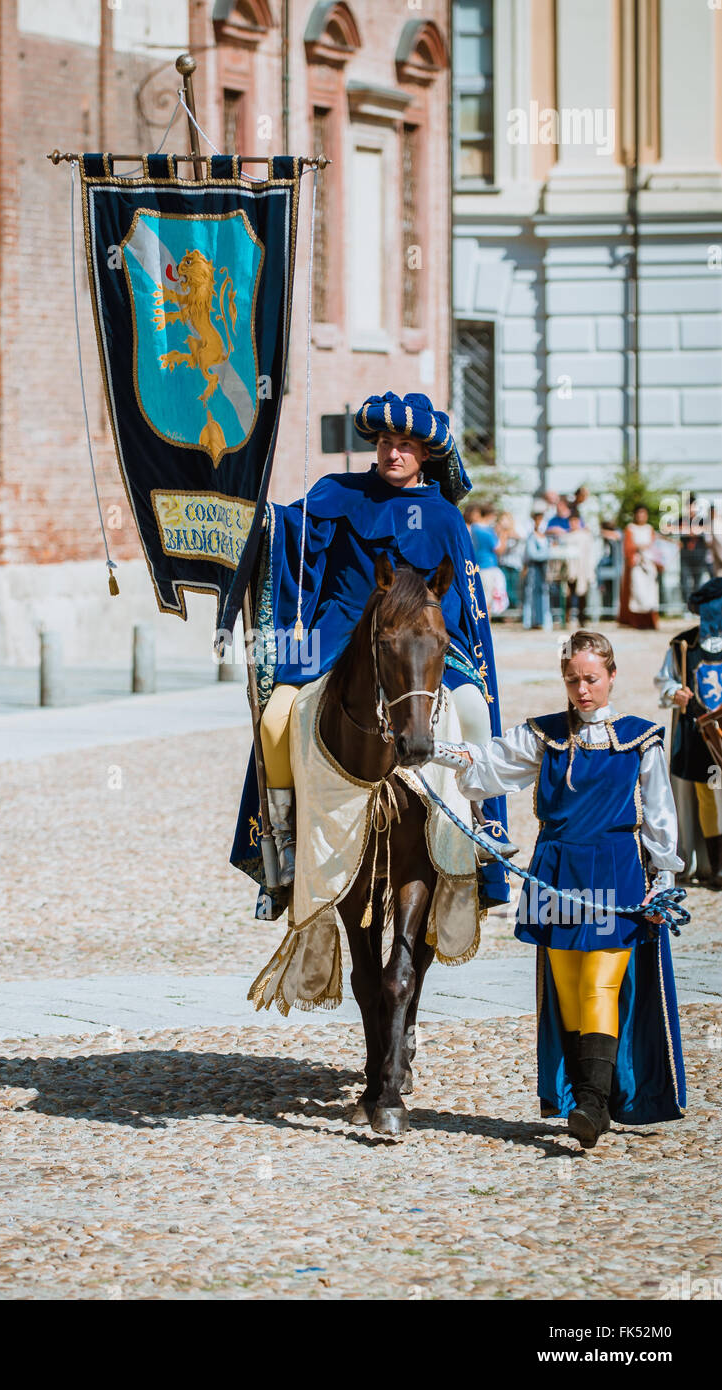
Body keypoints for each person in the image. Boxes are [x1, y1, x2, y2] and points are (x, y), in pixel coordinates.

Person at [230, 390, 513, 918]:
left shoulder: (446, 518)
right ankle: (284, 839)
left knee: (473, 708)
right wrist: (258, 517)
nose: (392, 454)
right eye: (385, 443)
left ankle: (481, 821)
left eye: (405, 446)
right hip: (338, 633)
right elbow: (290, 538)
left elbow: (462, 603)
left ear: (424, 454)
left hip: (422, 643)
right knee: (274, 719)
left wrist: (441, 645)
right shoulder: (337, 493)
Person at [430, 630, 686, 1148]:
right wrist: (435, 749)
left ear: (612, 676)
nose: (582, 689)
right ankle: (588, 1096)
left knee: (600, 984)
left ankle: (591, 1104)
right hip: (556, 869)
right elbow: (488, 765)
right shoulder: (544, 736)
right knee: (567, 988)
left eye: (591, 679)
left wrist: (665, 876)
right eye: (573, 680)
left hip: (615, 872)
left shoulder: (641, 738)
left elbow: (659, 814)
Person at [654, 576, 722, 888]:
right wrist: (673, 693)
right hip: (697, 737)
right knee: (707, 797)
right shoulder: (684, 645)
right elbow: (665, 680)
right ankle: (712, 865)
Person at [619, 504, 661, 629]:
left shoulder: (650, 529)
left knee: (650, 594)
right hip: (636, 564)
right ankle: (636, 621)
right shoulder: (630, 529)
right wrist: (638, 547)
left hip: (649, 564)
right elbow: (628, 547)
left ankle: (650, 621)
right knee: (637, 592)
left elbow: (655, 546)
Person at [470, 504, 509, 619]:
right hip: (488, 567)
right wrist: (504, 533)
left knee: (481, 599)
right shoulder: (486, 531)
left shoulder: (474, 528)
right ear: (490, 515)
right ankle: (486, 628)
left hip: (478, 566)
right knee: (487, 602)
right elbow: (499, 549)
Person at [563, 508, 598, 628]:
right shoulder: (566, 536)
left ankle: (582, 618)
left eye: (575, 521)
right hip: (570, 569)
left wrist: (590, 569)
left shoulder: (585, 536)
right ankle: (568, 618)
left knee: (582, 594)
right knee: (568, 594)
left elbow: (590, 553)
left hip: (583, 568)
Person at [523, 501, 553, 630]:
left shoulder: (546, 538)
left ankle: (542, 620)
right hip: (534, 569)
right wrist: (548, 553)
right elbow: (533, 554)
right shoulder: (531, 537)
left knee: (543, 594)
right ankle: (532, 621)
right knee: (532, 594)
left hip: (543, 569)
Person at [496, 511, 524, 611]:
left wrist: (507, 532)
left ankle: (515, 608)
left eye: (505, 519)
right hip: (503, 563)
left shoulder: (516, 529)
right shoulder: (499, 532)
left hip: (515, 564)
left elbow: (520, 537)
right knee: (505, 588)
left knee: (514, 588)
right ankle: (506, 610)